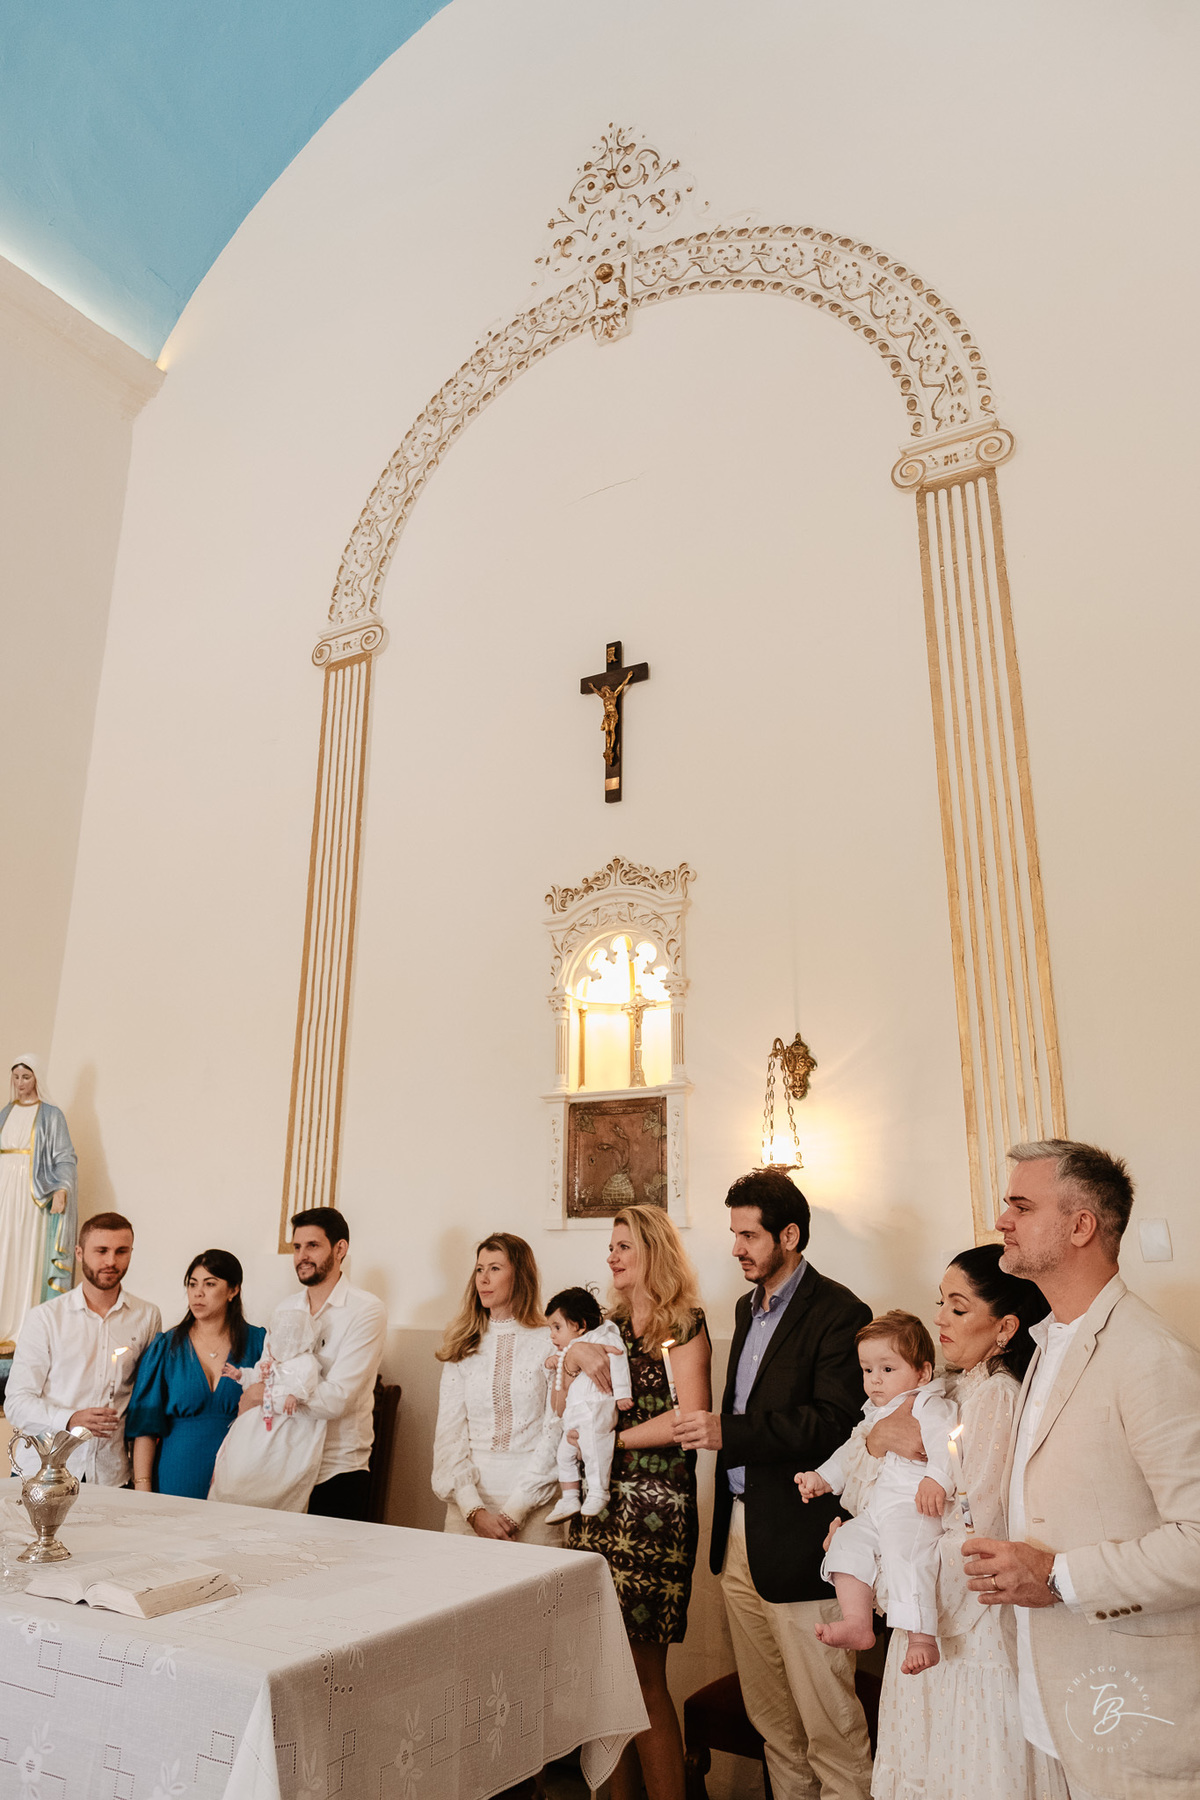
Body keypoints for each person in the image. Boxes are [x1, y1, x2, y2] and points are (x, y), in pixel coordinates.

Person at [961, 1140, 1200, 1800]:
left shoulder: (1149, 1355)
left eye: (1020, 1205)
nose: (1002, 1220)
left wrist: (1058, 1575)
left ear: (1080, 1226)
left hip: (1136, 1707)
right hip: (1058, 1689)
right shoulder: (1049, 1343)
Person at [675, 1167, 874, 1800]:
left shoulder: (841, 1311)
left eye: (749, 1236)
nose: (736, 1248)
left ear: (790, 1235)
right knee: (774, 1726)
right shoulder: (745, 1306)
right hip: (737, 1530)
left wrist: (728, 1432)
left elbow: (834, 1423)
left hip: (800, 1537)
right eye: (734, 1234)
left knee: (828, 1722)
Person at [867, 1243, 1047, 1800]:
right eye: (940, 1303)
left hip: (966, 1616)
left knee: (966, 1763)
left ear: (1005, 1327)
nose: (939, 1318)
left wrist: (885, 1552)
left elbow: (980, 1522)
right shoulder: (961, 1385)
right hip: (939, 1598)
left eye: (959, 1307)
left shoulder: (994, 1394)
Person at [566, 1204, 711, 1800]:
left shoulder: (685, 1322)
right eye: (610, 1245)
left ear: (653, 1250)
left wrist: (614, 1438)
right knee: (603, 1677)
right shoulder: (605, 1327)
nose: (612, 1255)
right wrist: (571, 1359)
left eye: (624, 1245)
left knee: (644, 1675)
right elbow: (564, 1412)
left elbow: (690, 1417)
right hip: (599, 1512)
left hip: (657, 1511)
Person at [798, 1310, 957, 1675]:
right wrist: (821, 1478)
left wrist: (936, 1478)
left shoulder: (928, 1404)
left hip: (913, 1507)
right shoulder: (874, 1411)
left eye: (887, 1369)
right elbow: (850, 1452)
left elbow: (947, 1441)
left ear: (923, 1372)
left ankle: (921, 1636)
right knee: (846, 1541)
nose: (874, 1381)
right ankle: (857, 1622)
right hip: (876, 1510)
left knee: (906, 1553)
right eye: (867, 1370)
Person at [239, 1207, 386, 1519]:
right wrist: (268, 1391)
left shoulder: (366, 1310)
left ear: (340, 1248)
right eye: (297, 1247)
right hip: (283, 1457)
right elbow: (266, 1373)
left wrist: (266, 1396)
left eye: (313, 1246)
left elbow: (337, 1400)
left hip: (336, 1467)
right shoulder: (285, 1308)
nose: (302, 1256)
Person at [6, 1212, 160, 1485]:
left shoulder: (147, 1316)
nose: (111, 1261)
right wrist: (70, 1418)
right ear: (79, 1253)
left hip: (111, 1475)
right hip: (43, 1472)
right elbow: (16, 1403)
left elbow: (145, 1396)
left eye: (121, 1251)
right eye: (101, 1251)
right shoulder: (44, 1318)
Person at [432, 1232, 563, 1544]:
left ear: (519, 1276)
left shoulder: (549, 1342)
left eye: (495, 1268)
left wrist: (514, 1512)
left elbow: (555, 1432)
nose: (483, 1279)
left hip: (534, 1505)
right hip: (467, 1507)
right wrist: (475, 1511)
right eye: (479, 1269)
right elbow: (449, 1437)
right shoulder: (462, 1344)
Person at [126, 1248, 265, 1498]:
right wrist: (143, 1491)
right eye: (192, 1284)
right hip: (176, 1476)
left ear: (233, 1290)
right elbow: (145, 1429)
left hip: (243, 1478)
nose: (198, 1293)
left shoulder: (260, 1343)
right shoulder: (165, 1347)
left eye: (210, 1284)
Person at [210, 1304, 327, 1511]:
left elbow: (307, 1385)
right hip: (259, 1420)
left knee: (275, 1465)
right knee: (239, 1466)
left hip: (288, 1424)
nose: (273, 1343)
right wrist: (240, 1375)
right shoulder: (270, 1363)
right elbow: (255, 1378)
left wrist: (294, 1396)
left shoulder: (304, 1362)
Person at [0, 1055, 78, 1343]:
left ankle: (22, 1327)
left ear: (37, 1079)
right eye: (16, 1077)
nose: (20, 1083)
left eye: (26, 1077)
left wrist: (62, 1189)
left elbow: (65, 1157)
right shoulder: (5, 1113)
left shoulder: (51, 1115)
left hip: (33, 1196)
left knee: (24, 1252)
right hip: (4, 1193)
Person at [544, 1285, 632, 1523]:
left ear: (581, 1325)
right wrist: (559, 1361)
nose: (552, 1335)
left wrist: (623, 1394)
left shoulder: (603, 1337)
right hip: (575, 1413)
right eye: (551, 1328)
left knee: (594, 1450)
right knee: (564, 1455)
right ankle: (570, 1496)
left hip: (596, 1406)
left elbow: (618, 1359)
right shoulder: (571, 1348)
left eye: (557, 1327)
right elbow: (558, 1405)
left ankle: (598, 1491)